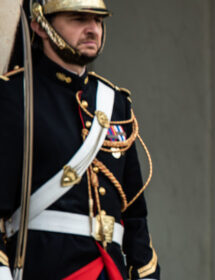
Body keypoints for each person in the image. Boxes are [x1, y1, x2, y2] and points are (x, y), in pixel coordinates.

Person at [0, 0, 160, 279]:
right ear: (39, 24)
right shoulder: (14, 96)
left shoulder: (115, 103)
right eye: (78, 19)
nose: (92, 29)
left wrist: (145, 273)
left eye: (98, 20)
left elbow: (135, 214)